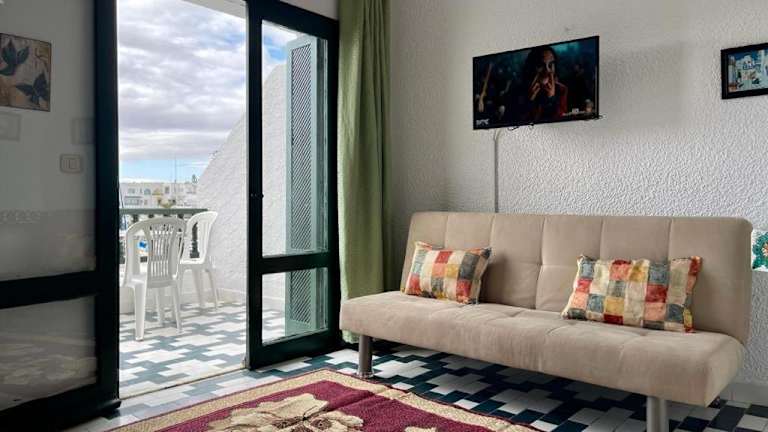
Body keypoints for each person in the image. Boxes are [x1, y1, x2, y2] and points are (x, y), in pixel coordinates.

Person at [519, 45, 568, 122]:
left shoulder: (561, 90)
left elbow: (560, 122)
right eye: (541, 65)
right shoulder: (518, 91)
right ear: (531, 66)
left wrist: (551, 99)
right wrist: (529, 101)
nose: (547, 70)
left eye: (551, 65)